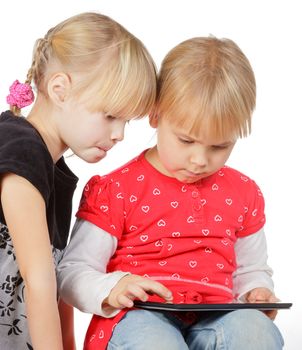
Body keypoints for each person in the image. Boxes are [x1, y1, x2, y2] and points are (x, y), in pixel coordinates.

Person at [57, 36, 284, 350]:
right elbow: (72, 272)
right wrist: (112, 287)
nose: (200, 160)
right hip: (139, 318)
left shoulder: (243, 192)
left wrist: (257, 292)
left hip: (216, 317)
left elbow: (251, 268)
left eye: (220, 146)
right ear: (156, 115)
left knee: (255, 332)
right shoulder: (117, 190)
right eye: (186, 140)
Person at [0, 12, 157, 350]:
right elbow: (38, 282)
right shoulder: (21, 152)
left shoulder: (55, 170)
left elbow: (55, 287)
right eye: (111, 115)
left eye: (127, 121)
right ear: (60, 89)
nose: (119, 135)